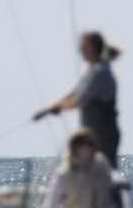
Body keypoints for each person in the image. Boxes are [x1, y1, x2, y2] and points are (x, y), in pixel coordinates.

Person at [32, 31, 121, 167]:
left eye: (83, 46)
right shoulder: (92, 71)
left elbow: (80, 100)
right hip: (92, 135)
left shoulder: (100, 73)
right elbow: (75, 93)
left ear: (92, 48)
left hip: (103, 135)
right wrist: (52, 107)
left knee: (104, 171)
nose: (80, 50)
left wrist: (58, 107)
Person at [36, 129, 132, 208]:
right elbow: (50, 207)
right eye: (81, 144)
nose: (86, 148)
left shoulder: (100, 163)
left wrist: (121, 181)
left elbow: (111, 176)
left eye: (89, 144)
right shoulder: (64, 175)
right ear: (74, 148)